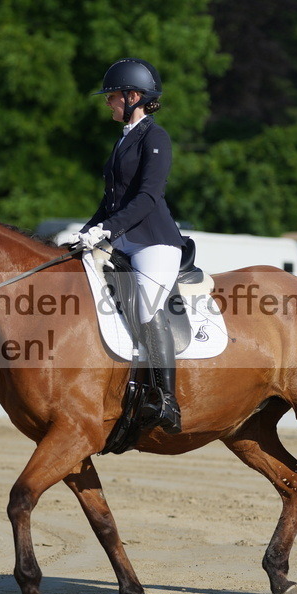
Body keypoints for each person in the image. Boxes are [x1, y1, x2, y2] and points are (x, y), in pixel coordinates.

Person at [76, 58, 184, 434]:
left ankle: (168, 400)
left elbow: (147, 198)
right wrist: (87, 230)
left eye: (112, 97)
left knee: (144, 303)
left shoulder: (155, 138)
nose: (108, 103)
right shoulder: (124, 138)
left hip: (154, 242)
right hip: (124, 239)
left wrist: (106, 229)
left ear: (133, 96)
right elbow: (111, 201)